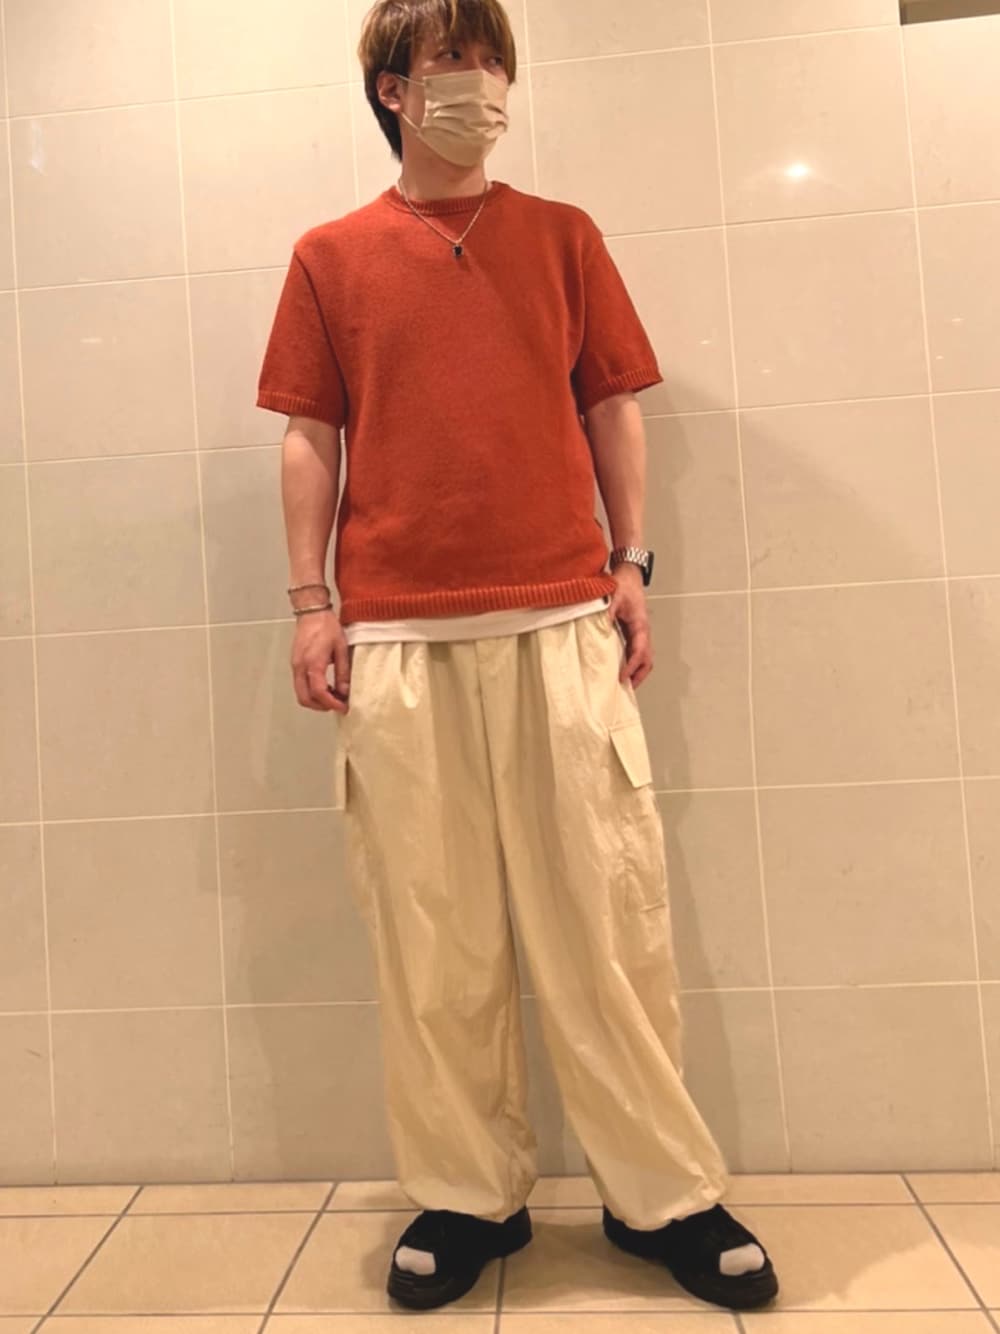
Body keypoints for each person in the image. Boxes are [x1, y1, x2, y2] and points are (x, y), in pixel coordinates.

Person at [256, 0, 778, 1315]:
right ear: (393, 88)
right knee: (431, 935)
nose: (480, 83)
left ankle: (661, 1193)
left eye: (493, 62)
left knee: (606, 918)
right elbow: (310, 434)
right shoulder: (330, 256)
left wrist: (631, 561)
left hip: (558, 616)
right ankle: (464, 1194)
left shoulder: (563, 236)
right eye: (452, 59)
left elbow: (611, 404)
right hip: (397, 636)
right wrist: (312, 602)